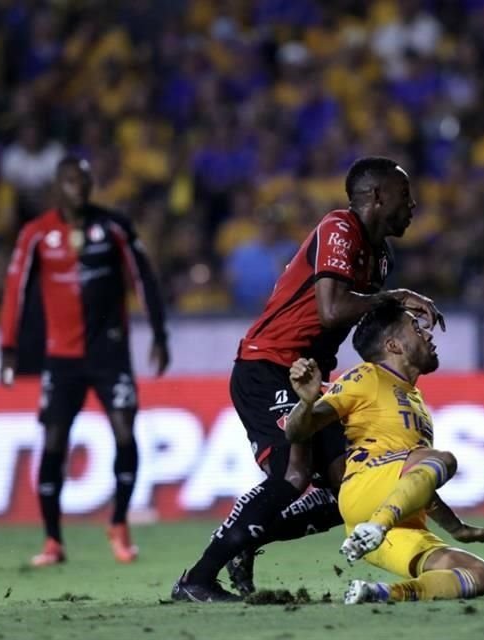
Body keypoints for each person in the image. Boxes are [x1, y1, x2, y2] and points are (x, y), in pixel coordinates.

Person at [171, 156, 443, 602]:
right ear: (376, 196)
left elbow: (360, 325)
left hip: (308, 376)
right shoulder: (339, 228)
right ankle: (196, 580)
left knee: (348, 489)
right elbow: (331, 311)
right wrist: (395, 297)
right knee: (292, 474)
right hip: (268, 366)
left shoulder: (380, 258)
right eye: (404, 194)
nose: (413, 205)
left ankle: (246, 541)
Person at [0, 156, 170, 566]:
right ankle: (52, 541)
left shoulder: (113, 227)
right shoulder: (36, 233)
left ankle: (119, 523)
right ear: (58, 187)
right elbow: (15, 289)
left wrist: (159, 334)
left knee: (125, 431)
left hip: (110, 352)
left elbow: (143, 277)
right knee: (54, 441)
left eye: (85, 180)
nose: (80, 188)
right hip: (61, 357)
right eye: (71, 181)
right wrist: (8, 346)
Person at [284, 299, 484, 603]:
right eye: (416, 328)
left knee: (479, 574)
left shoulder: (416, 400)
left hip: (398, 524)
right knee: (443, 459)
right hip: (366, 493)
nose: (428, 334)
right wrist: (306, 402)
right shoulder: (367, 376)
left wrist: (457, 529)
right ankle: (375, 528)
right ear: (393, 345)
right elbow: (296, 432)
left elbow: (416, 482)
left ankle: (380, 593)